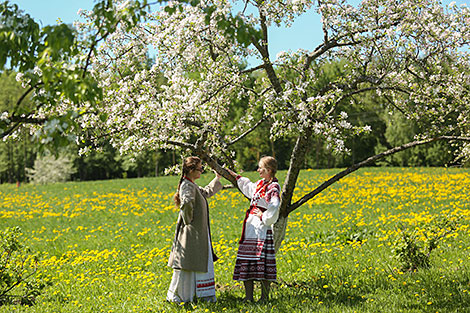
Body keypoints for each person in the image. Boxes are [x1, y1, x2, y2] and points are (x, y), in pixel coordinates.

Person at [167, 156, 222, 303]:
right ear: (191, 170)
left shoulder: (192, 184)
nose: (202, 171)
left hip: (196, 231)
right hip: (191, 232)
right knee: (189, 262)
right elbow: (186, 204)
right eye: (199, 169)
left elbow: (205, 193)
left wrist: (217, 179)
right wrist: (189, 220)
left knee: (195, 261)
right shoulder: (187, 185)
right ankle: (184, 296)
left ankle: (198, 295)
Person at [228, 156, 281, 303]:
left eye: (261, 168)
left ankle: (264, 297)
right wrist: (236, 177)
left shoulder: (273, 187)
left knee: (262, 264)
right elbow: (249, 187)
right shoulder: (260, 184)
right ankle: (249, 297)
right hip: (251, 228)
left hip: (262, 229)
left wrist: (264, 216)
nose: (258, 170)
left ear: (269, 170)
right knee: (247, 261)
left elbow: (275, 204)